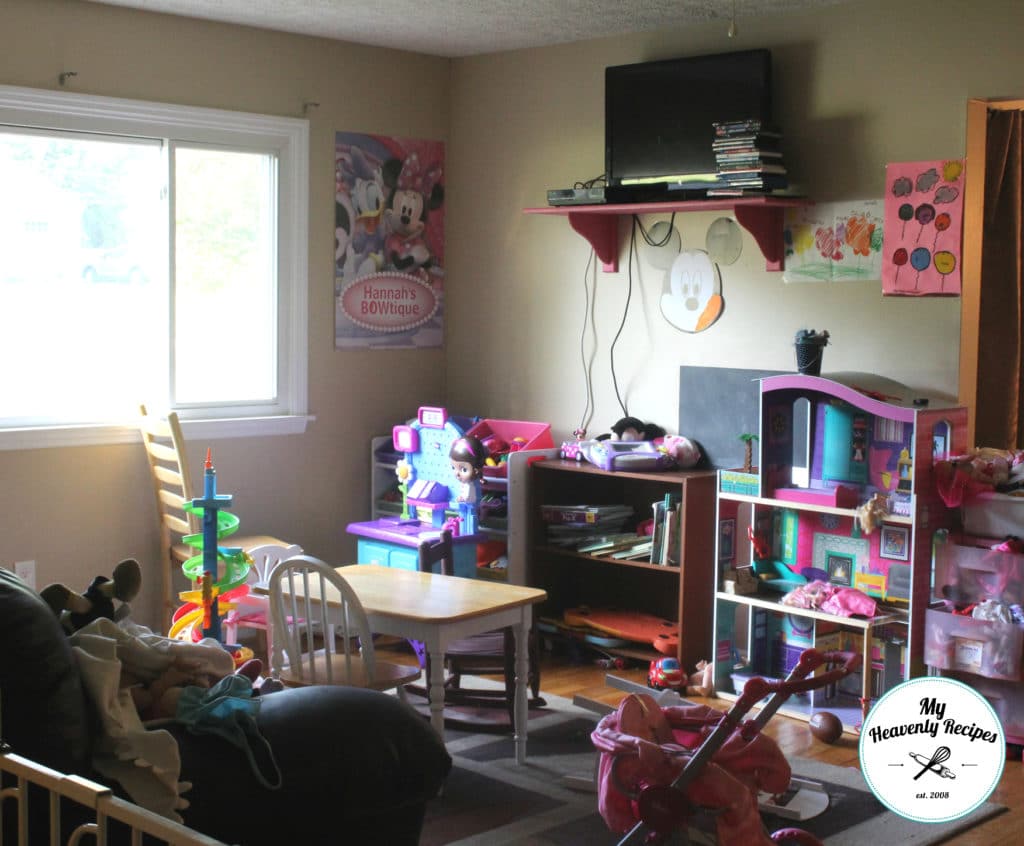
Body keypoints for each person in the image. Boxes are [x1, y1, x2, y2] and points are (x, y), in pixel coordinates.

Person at [449, 435, 487, 534]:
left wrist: (463, 498)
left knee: (471, 521)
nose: (457, 473)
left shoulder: (471, 485)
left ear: (475, 469)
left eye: (463, 469)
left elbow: (470, 496)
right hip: (467, 507)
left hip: (471, 507)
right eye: (453, 468)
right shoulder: (466, 483)